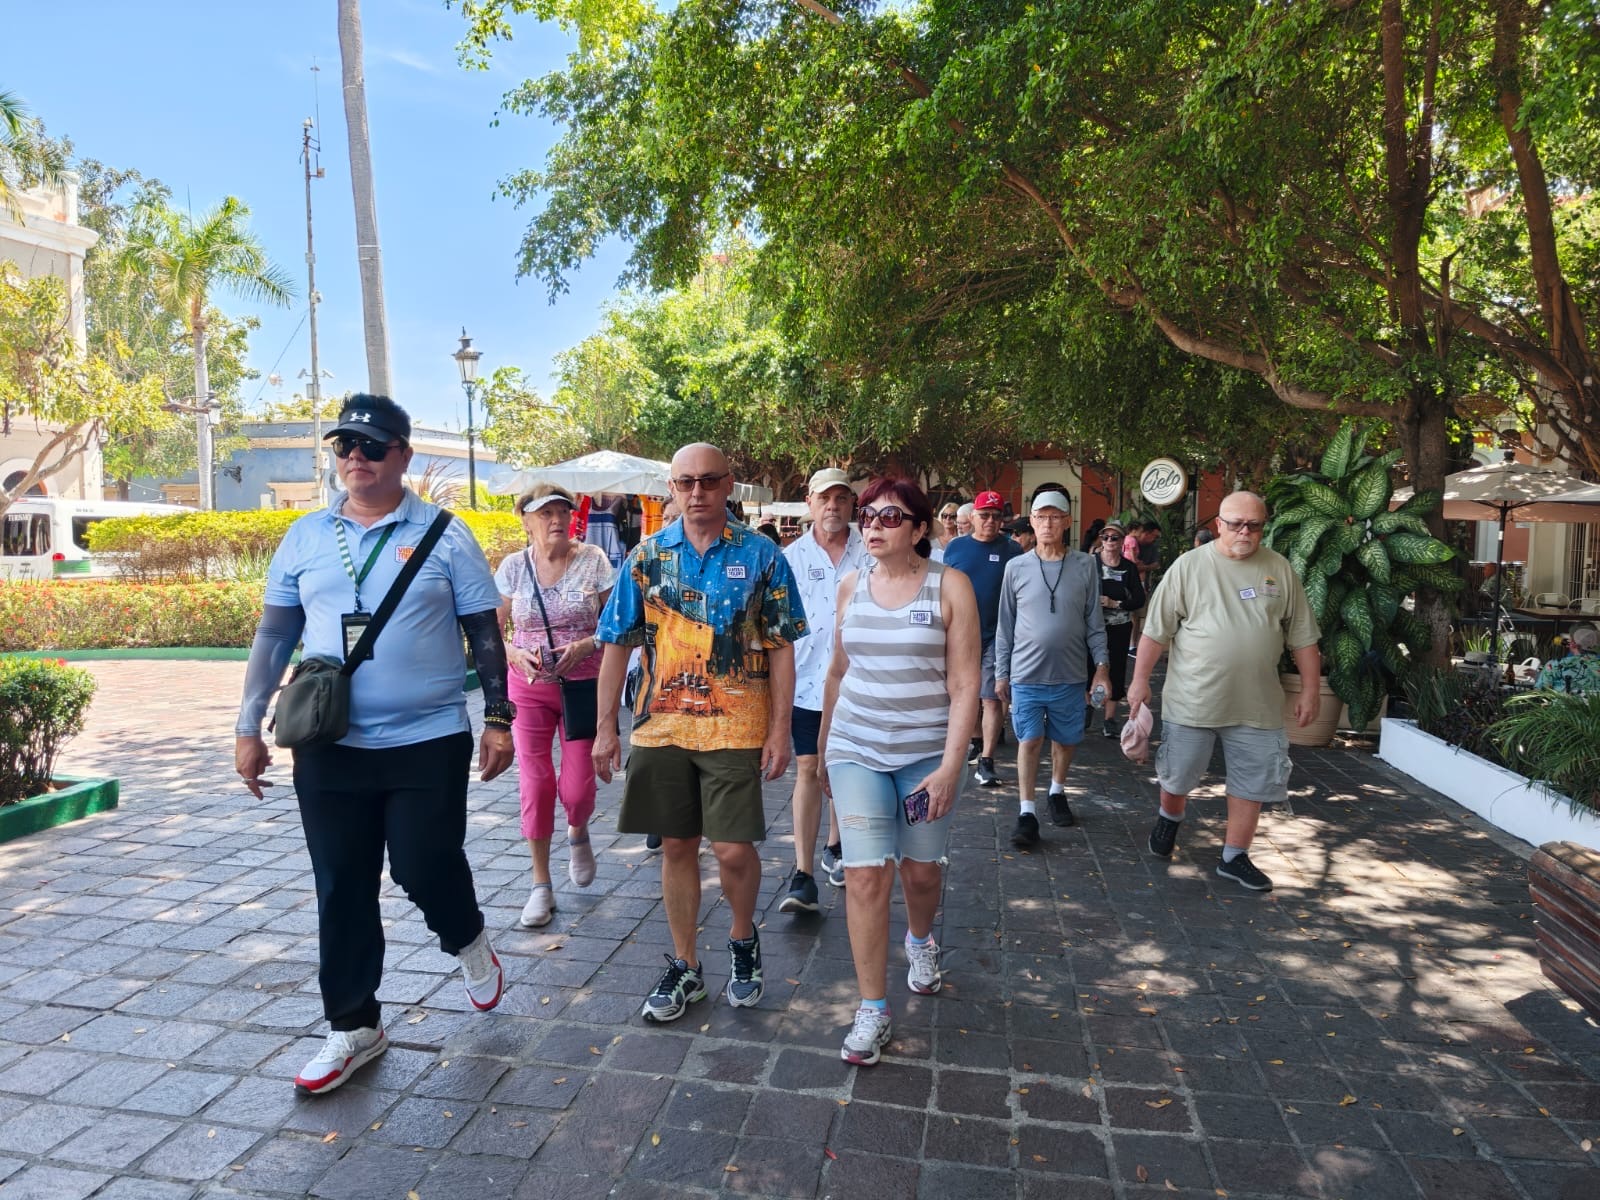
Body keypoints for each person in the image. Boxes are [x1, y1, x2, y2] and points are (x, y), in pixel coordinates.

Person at [234, 394, 514, 1096]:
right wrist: (247, 724)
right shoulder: (305, 535)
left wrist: (498, 717)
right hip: (328, 742)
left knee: (423, 864)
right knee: (342, 883)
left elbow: (483, 631)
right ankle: (354, 1024)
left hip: (427, 738)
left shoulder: (446, 534)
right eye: (345, 446)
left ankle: (468, 939)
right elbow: (275, 634)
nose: (355, 457)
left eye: (372, 446)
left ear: (404, 456)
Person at [592, 443, 808, 1022]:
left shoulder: (762, 554)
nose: (697, 492)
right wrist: (605, 729)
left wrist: (781, 729)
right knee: (677, 844)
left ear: (729, 484)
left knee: (733, 848)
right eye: (685, 482)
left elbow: (781, 648)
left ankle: (742, 939)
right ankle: (686, 965)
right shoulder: (647, 556)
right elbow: (616, 642)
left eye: (709, 480)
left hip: (736, 725)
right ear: (672, 486)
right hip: (659, 726)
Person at [817, 477, 980, 1065]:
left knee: (920, 872)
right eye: (868, 516)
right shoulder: (850, 587)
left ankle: (920, 938)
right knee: (865, 876)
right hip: (856, 748)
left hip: (925, 758)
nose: (873, 526)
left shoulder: (950, 586)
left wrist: (950, 767)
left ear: (919, 529)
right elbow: (838, 672)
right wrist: (824, 747)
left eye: (890, 517)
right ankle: (872, 1008)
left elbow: (965, 683)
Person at [1125, 492, 1321, 894]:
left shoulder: (1279, 569)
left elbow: (1302, 637)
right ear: (1219, 525)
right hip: (1194, 698)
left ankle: (1235, 856)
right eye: (1236, 524)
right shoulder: (1189, 567)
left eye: (1254, 525)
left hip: (1257, 702)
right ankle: (1170, 817)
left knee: (1253, 780)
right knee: (1178, 773)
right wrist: (1139, 681)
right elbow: (1156, 631)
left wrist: (1311, 690)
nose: (1245, 532)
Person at [495, 484, 615, 928]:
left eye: (562, 512)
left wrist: (587, 645)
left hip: (583, 688)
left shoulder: (593, 560)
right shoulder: (513, 567)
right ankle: (540, 884)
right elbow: (492, 632)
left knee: (578, 789)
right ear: (526, 521)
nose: (556, 520)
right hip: (528, 688)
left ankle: (578, 830)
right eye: (545, 513)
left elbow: (616, 625)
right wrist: (512, 653)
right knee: (536, 783)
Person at [993, 492, 1111, 842]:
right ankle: (1026, 811)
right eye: (1041, 517)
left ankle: (1057, 791)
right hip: (1026, 674)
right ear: (1031, 521)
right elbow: (1005, 625)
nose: (1047, 524)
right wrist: (1001, 673)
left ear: (1067, 522)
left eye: (1055, 517)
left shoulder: (1085, 565)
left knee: (1066, 739)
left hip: (1070, 675)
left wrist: (1101, 667)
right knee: (1029, 740)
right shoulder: (1016, 567)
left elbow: (1095, 622)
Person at [781, 467, 873, 906]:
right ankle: (802, 873)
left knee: (844, 767)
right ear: (810, 503)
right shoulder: (789, 558)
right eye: (824, 498)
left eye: (840, 498)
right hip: (805, 683)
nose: (832, 506)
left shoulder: (870, 552)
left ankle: (836, 846)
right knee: (808, 767)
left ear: (852, 504)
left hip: (859, 683)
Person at [942, 489, 1024, 787]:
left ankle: (987, 760)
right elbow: (944, 588)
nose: (990, 521)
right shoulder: (956, 548)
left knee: (992, 697)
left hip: (997, 635)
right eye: (985, 515)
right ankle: (976, 739)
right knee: (965, 694)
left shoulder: (1012, 550)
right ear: (973, 517)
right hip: (961, 634)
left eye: (996, 516)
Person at [1092, 520, 1146, 738]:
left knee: (1116, 669)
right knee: (1087, 667)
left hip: (1119, 626)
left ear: (1122, 541)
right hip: (1092, 626)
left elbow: (1139, 599)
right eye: (1105, 537)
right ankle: (1087, 708)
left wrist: (1116, 603)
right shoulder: (1090, 563)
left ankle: (1109, 719)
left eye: (1114, 538)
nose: (1109, 541)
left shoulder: (1128, 567)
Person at [1534, 625, 1600, 694]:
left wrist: (1537, 676)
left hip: (1562, 701)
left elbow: (1540, 691)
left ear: (1573, 644)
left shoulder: (1554, 665)